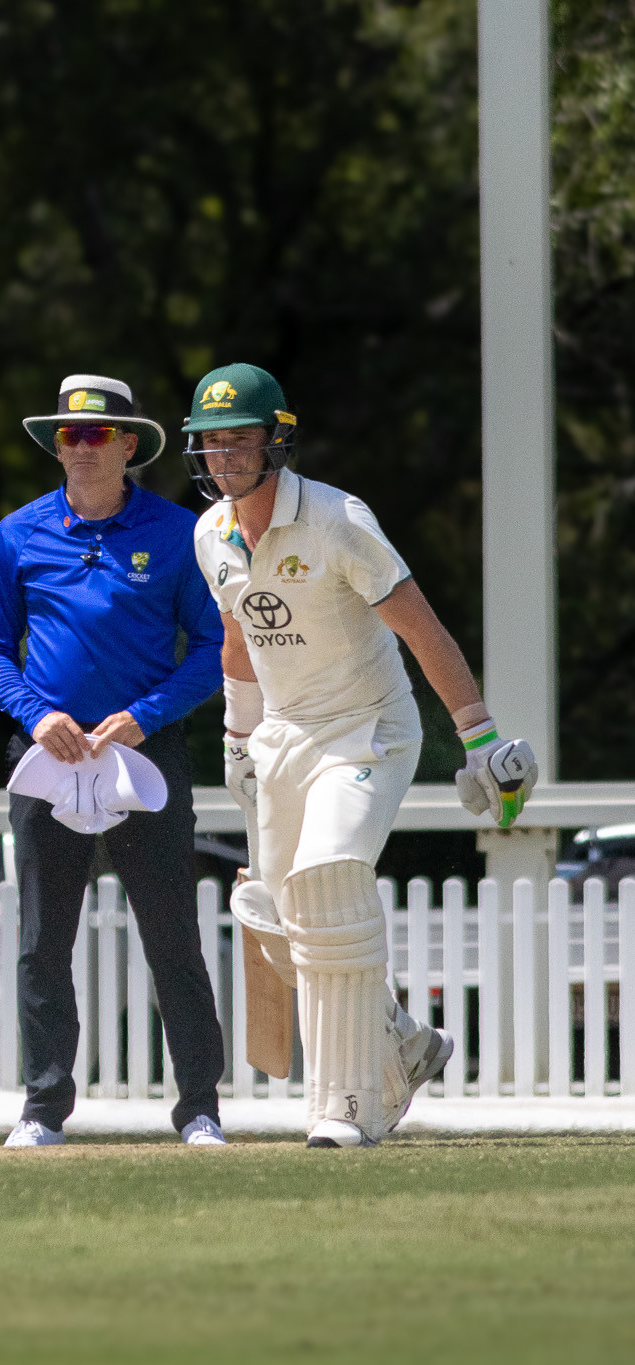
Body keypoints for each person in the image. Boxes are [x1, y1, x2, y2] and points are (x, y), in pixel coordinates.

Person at [184, 362, 536, 1148]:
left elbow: (420, 625)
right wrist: (238, 738)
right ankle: (405, 1043)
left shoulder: (340, 519)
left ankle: (346, 1106)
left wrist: (478, 733)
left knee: (329, 875)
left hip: (368, 727)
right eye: (210, 444)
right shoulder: (209, 534)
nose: (223, 458)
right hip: (283, 733)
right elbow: (238, 639)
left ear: (277, 441)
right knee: (275, 918)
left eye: (239, 440)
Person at [0, 374, 230, 1147]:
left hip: (144, 750)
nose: (79, 447)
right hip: (47, 752)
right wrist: (38, 713)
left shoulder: (179, 532)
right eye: (68, 435)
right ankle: (42, 1109)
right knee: (41, 939)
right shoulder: (17, 533)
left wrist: (144, 716)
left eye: (95, 435)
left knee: (172, 933)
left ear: (128, 446)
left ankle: (200, 1108)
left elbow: (215, 649)